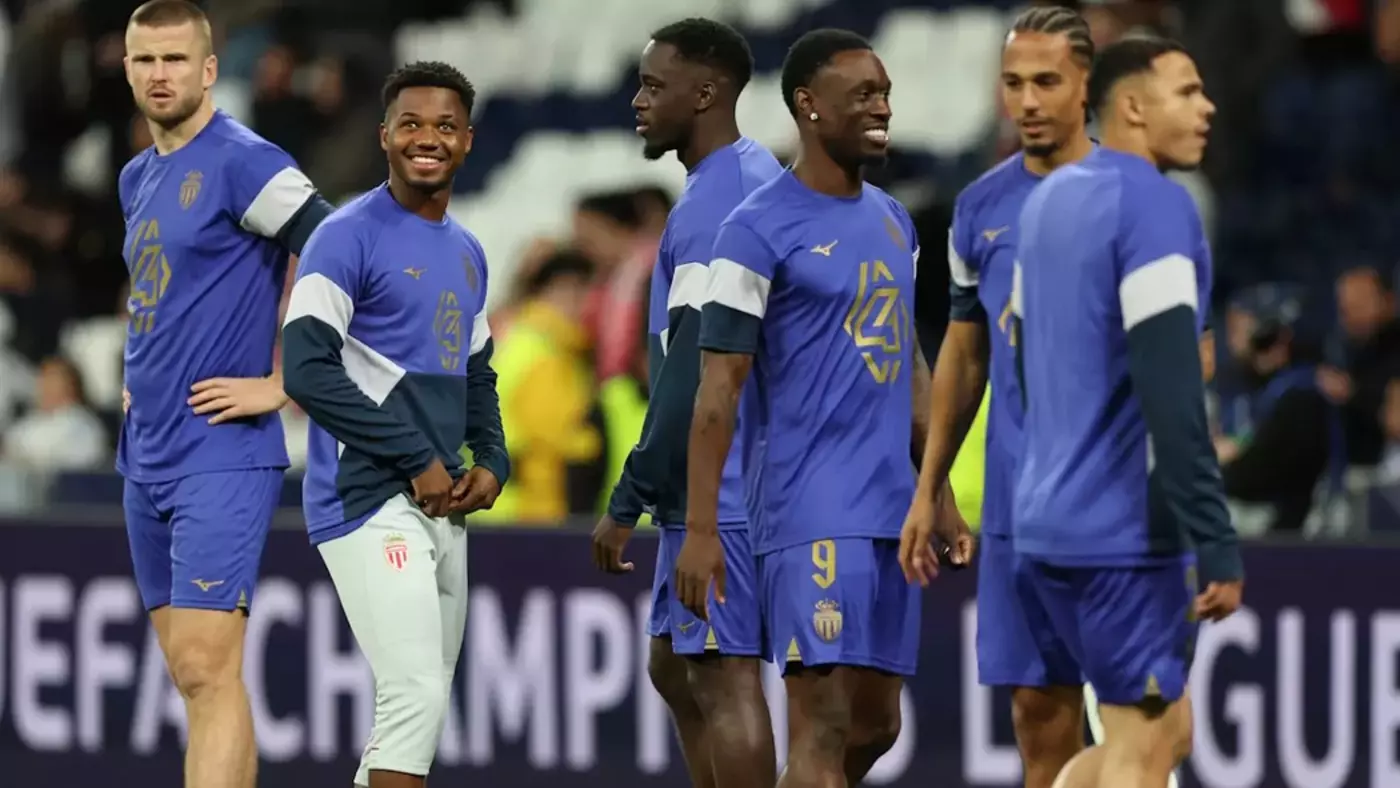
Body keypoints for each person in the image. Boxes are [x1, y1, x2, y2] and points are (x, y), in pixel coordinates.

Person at [680, 28, 968, 787]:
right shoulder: (753, 230)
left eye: (886, 95)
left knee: (876, 727)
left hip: (891, 510)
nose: (883, 109)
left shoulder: (893, 220)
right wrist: (702, 530)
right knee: (824, 722)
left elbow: (907, 361)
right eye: (863, 95)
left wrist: (936, 489)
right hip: (809, 509)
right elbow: (718, 388)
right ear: (808, 105)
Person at [1009, 36, 1243, 787]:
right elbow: (1173, 389)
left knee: (1162, 731)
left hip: (1043, 519)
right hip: (1123, 533)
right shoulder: (1158, 206)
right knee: (1141, 748)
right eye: (1189, 91)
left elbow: (1026, 359)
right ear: (1135, 107)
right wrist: (1213, 535)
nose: (1207, 108)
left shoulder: (1047, 202)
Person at [117, 2, 335, 786]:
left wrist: (288, 382)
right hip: (146, 451)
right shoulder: (137, 176)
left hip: (220, 451)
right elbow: (163, 287)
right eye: (146, 60)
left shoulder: (245, 160)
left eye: (176, 59)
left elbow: (341, 249)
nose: (160, 74)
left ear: (209, 69)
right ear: (127, 69)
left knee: (207, 669)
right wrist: (137, 373)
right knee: (193, 674)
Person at [281, 61, 509, 788]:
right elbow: (306, 370)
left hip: (441, 499)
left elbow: (477, 373)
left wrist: (494, 457)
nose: (427, 139)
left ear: (468, 140)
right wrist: (415, 457)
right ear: (383, 136)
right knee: (412, 697)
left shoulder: (468, 252)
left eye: (445, 126)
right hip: (365, 494)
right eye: (410, 124)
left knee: (419, 710)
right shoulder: (345, 235)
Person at [898, 8, 1099, 787]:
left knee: (1138, 728)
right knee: (1038, 717)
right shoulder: (980, 208)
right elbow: (965, 352)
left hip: (1115, 505)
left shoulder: (1138, 199)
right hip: (1019, 506)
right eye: (1014, 83)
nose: (1028, 100)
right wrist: (930, 488)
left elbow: (1193, 356)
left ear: (1086, 83)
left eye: (1047, 80)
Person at [590, 17, 783, 788]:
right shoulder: (743, 175)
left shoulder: (718, 204)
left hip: (723, 484)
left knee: (722, 676)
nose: (638, 102)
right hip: (727, 475)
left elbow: (691, 372)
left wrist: (628, 497)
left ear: (704, 94)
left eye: (652, 86)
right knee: (674, 664)